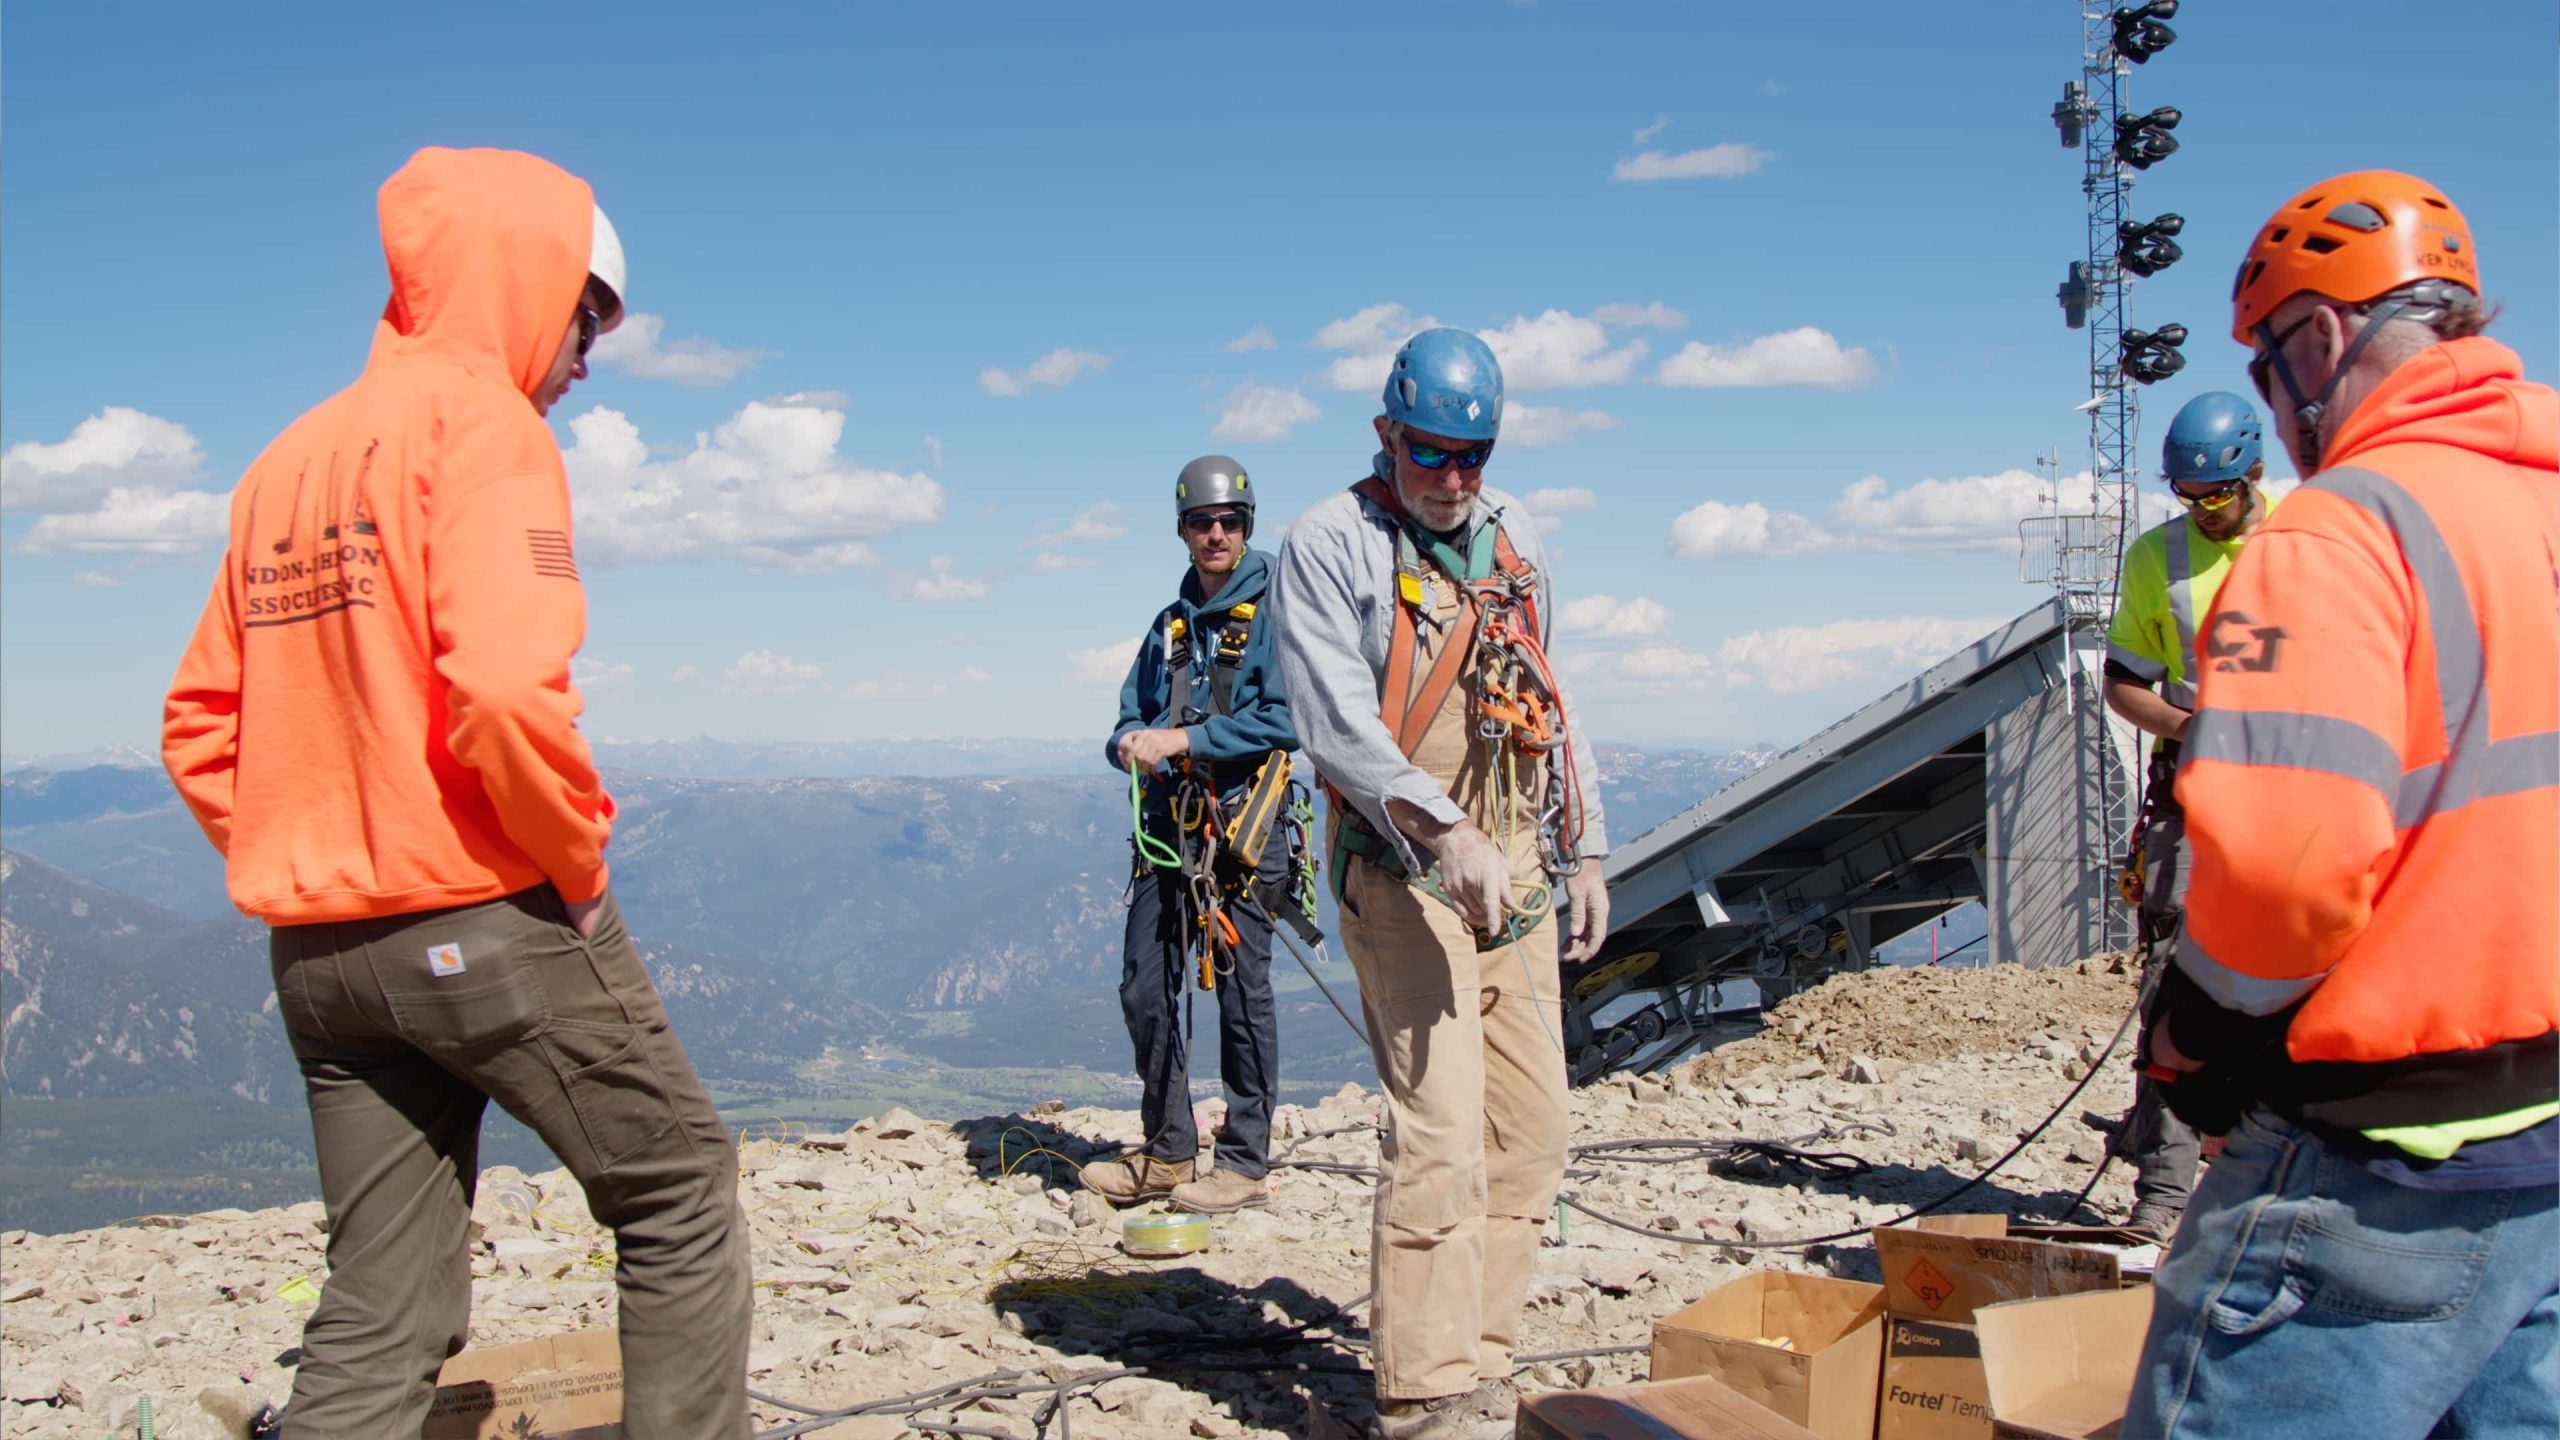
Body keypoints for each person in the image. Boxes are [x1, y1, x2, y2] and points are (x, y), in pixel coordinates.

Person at [161, 147, 751, 1440]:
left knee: (383, 1302)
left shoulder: (285, 460)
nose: (592, 351)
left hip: (315, 955)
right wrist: (576, 870)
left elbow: (200, 726)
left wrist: (307, 852)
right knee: (681, 1193)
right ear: (527, 274)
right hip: (484, 915)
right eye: (589, 309)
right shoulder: (488, 432)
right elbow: (501, 693)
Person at [2132, 170, 2557, 1437]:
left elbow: (2282, 874)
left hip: (2367, 1170)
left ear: (2316, 337)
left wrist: (2197, 1037)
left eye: (2271, 371)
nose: (2279, 412)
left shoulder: (2340, 531)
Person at [1270, 328, 1611, 1440]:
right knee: (1442, 1133)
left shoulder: (1512, 538)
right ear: (1386, 435)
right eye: (1431, 454)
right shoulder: (1329, 545)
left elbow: (1552, 703)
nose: (1455, 477)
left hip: (1514, 853)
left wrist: (1588, 845)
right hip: (1404, 862)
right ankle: (1422, 1394)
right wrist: (1446, 825)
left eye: (1474, 454)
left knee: (1532, 1129)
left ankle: (1485, 1356)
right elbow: (1334, 725)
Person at [1081, 456, 1299, 1216]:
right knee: (1145, 986)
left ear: (1247, 527)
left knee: (1242, 992)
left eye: (1230, 522)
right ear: (1182, 531)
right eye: (1202, 523)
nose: (1216, 534)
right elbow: (1125, 719)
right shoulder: (1168, 627)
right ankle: (1169, 1150)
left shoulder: (1277, 612)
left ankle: (1243, 1161)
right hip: (1169, 832)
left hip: (1244, 829)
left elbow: (1290, 718)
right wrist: (1129, 744)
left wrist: (1183, 743)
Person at [2099, 389, 2280, 1240]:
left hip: (2298, 794)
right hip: (2196, 792)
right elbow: (2123, 682)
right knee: (2174, 985)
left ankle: (2268, 1186)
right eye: (2187, 497)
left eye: (2218, 495)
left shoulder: (2307, 540)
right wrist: (2188, 727)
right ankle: (2162, 1202)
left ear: (2252, 473)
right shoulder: (2154, 559)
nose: (2204, 512)